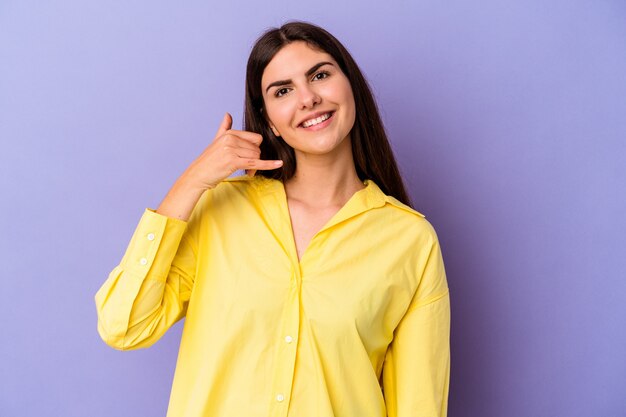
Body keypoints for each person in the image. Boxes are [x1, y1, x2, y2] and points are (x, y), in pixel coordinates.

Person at [95, 20, 451, 417]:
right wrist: (191, 182)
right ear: (268, 120)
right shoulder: (218, 212)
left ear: (350, 85)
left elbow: (419, 405)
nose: (308, 98)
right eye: (283, 90)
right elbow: (123, 325)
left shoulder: (410, 239)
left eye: (320, 75)